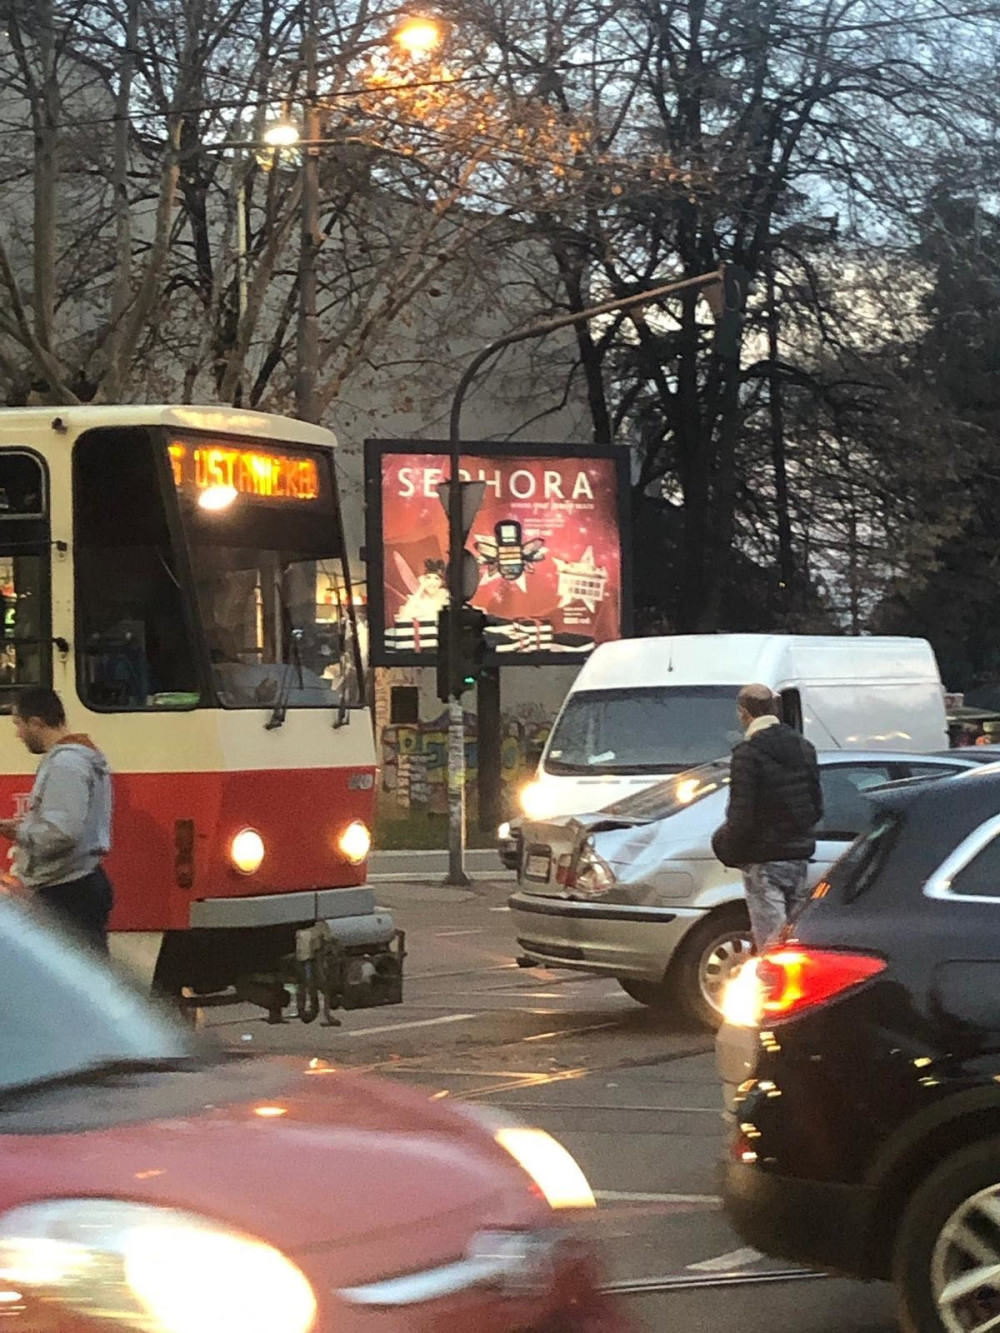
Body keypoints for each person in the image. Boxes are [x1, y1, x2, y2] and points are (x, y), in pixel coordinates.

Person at [0, 687, 113, 951]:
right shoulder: (80, 758)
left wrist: (20, 832)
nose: (17, 734)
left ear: (36, 722)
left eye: (19, 724)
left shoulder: (65, 765)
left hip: (65, 890)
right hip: (77, 885)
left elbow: (63, 833)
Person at [711, 683, 823, 950]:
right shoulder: (804, 747)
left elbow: (741, 814)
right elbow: (816, 805)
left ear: (743, 713)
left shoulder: (747, 754)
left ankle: (774, 990)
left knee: (771, 943)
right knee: (796, 940)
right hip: (798, 857)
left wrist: (728, 850)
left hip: (763, 859)